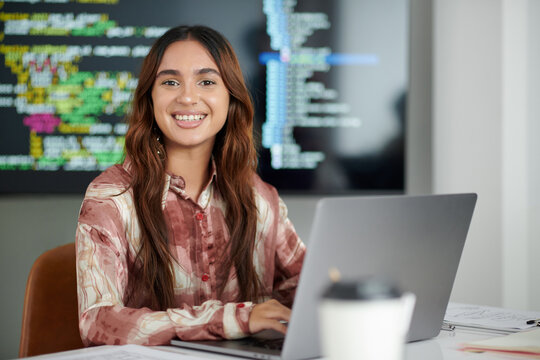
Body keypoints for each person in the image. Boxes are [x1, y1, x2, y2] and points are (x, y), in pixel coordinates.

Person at [75, 25, 305, 346]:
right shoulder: (111, 197)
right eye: (170, 82)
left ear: (231, 97)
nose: (187, 96)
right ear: (150, 97)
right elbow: (98, 322)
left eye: (207, 82)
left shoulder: (258, 196)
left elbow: (306, 288)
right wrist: (233, 318)